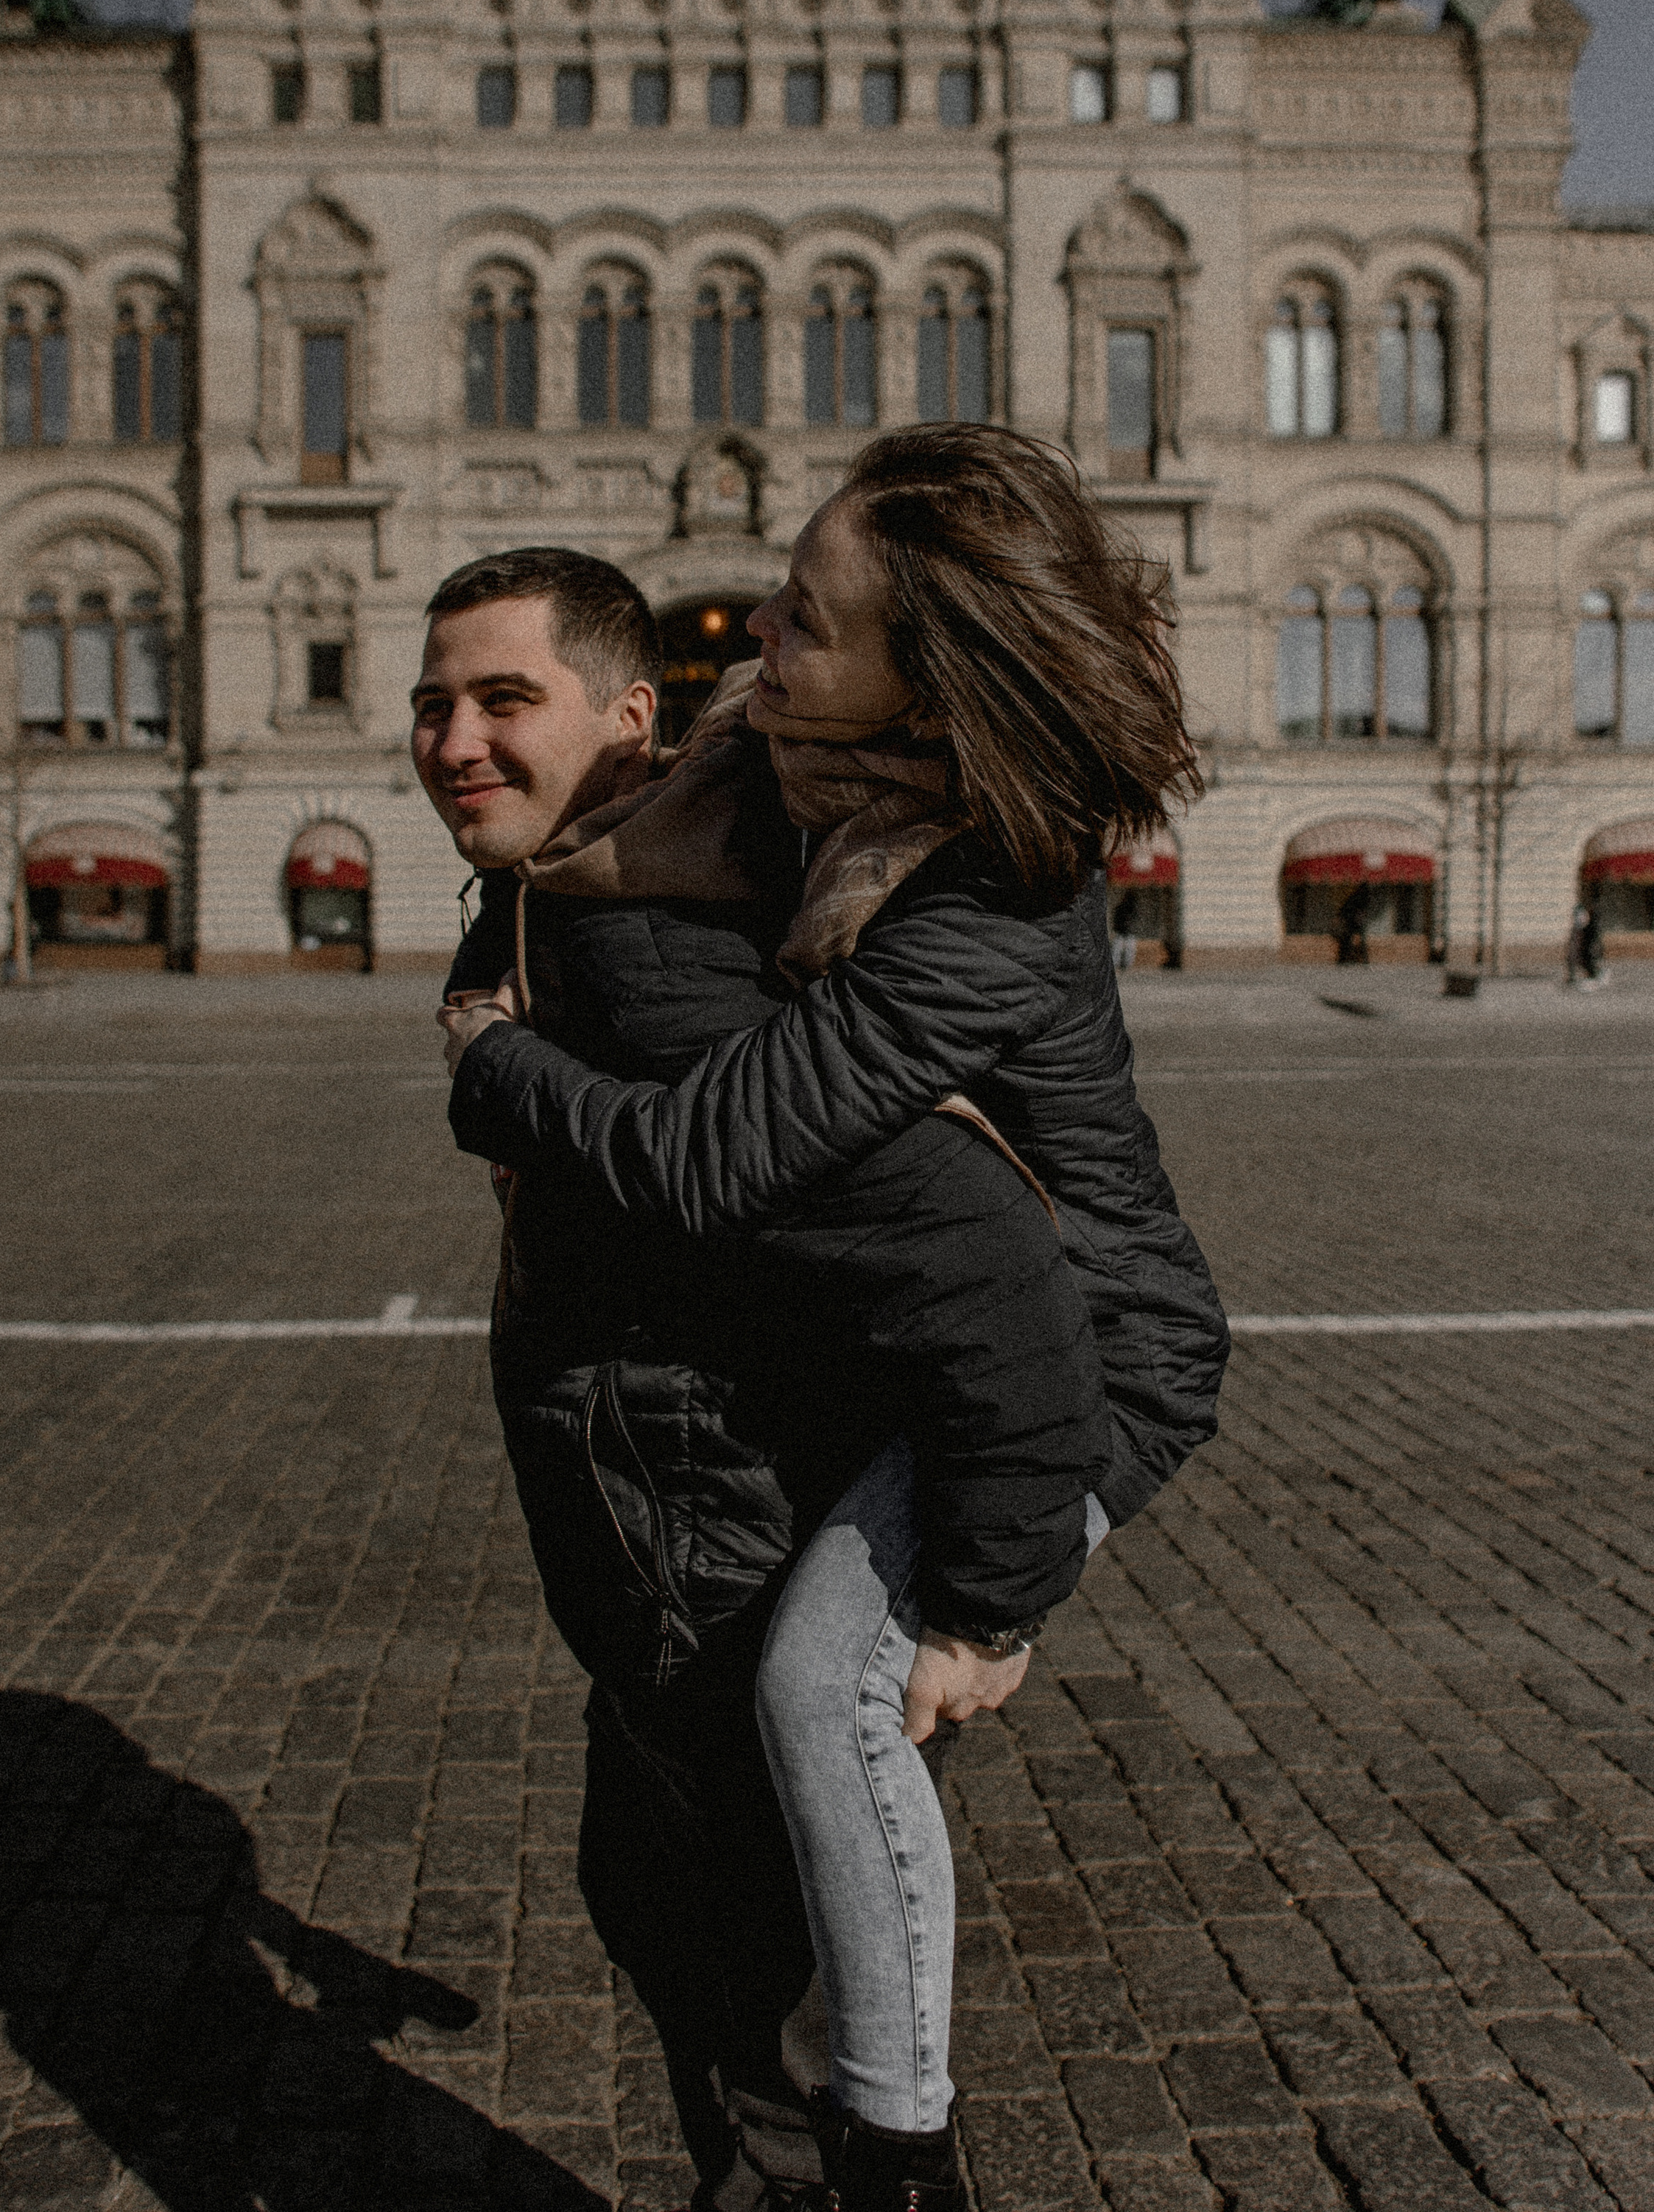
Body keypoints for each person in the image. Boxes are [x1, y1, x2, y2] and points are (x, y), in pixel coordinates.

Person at [427, 432, 1226, 2209]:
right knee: (690, 1837)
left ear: (919, 684)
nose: (755, 640)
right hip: (954, 1345)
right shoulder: (806, 768)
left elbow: (727, 1152)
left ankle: (897, 2142)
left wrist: (987, 1593)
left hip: (1085, 1354)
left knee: (821, 1688)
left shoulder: (987, 900)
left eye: (802, 620)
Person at [1111, 887, 1141, 974]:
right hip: (1126, 931)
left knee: (1120, 949)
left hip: (1123, 931)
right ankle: (1125, 965)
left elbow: (1116, 919)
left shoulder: (1122, 907)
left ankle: (1119, 965)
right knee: (1126, 949)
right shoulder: (1131, 908)